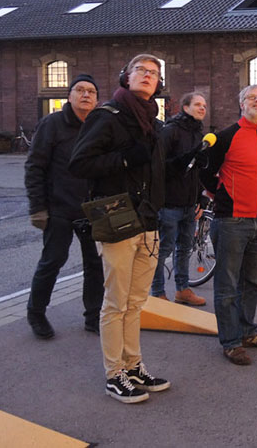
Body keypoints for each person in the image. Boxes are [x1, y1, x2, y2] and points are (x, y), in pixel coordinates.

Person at [70, 54, 169, 404]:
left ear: (158, 84)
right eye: (141, 70)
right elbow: (79, 163)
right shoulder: (106, 116)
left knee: (136, 302)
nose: (147, 75)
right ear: (126, 77)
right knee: (115, 303)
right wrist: (125, 158)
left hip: (147, 221)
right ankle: (114, 374)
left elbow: (155, 170)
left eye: (154, 73)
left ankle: (134, 365)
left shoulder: (153, 123)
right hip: (115, 218)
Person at [200, 84, 257, 367]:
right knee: (227, 283)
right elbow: (205, 170)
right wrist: (219, 194)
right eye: (252, 98)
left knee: (251, 281)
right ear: (241, 104)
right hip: (232, 219)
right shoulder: (226, 136)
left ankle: (247, 331)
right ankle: (231, 342)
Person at [24, 74, 103, 338]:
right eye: (79, 90)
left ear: (97, 99)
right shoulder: (52, 124)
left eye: (91, 92)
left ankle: (93, 316)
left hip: (93, 209)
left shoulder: (100, 125)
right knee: (53, 261)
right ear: (69, 96)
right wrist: (38, 207)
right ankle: (36, 314)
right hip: (59, 207)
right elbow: (35, 167)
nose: (85, 95)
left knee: (96, 264)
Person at [151, 92, 208, 306]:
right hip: (169, 203)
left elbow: (196, 172)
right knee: (162, 250)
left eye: (204, 105)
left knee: (185, 248)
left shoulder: (198, 133)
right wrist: (185, 160)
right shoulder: (171, 131)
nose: (203, 108)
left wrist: (202, 198)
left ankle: (183, 289)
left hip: (189, 203)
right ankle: (157, 292)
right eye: (197, 105)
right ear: (185, 107)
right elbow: (158, 167)